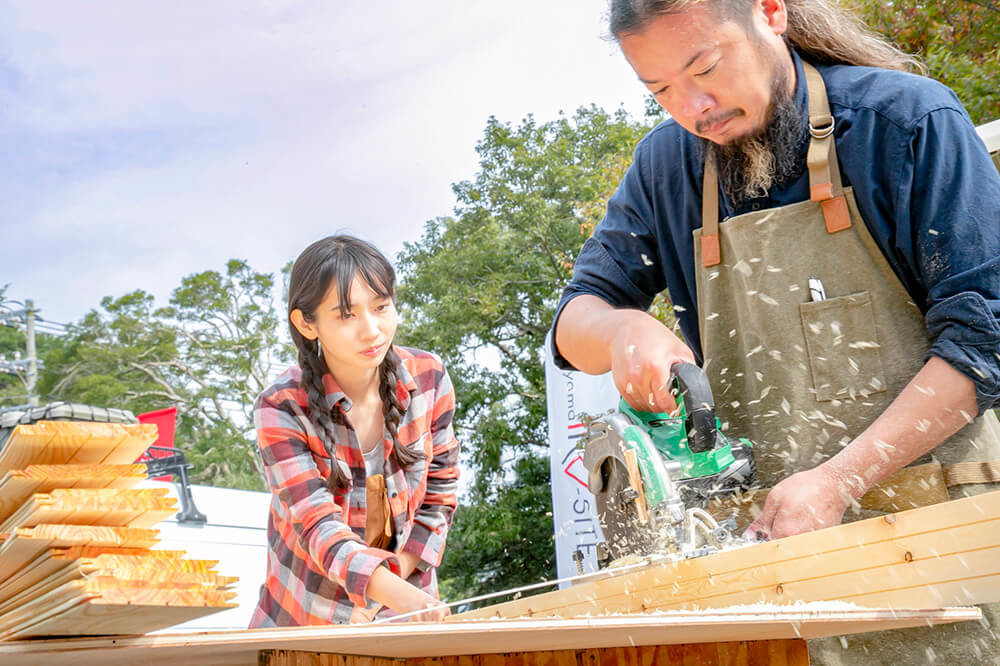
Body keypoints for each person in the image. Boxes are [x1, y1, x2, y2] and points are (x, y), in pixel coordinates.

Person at [552, 0, 1000, 662]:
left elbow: (983, 343)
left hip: (945, 549)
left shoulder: (907, 123)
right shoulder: (664, 168)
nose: (694, 107)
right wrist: (621, 332)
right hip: (772, 581)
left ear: (770, 13)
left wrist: (840, 480)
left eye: (705, 67)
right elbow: (572, 322)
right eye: (661, 91)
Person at [250, 235, 459, 626]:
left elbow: (440, 491)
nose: (372, 330)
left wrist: (398, 586)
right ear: (306, 323)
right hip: (307, 621)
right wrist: (387, 593)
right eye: (346, 315)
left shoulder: (429, 378)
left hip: (408, 608)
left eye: (381, 307)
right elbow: (317, 525)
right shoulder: (281, 406)